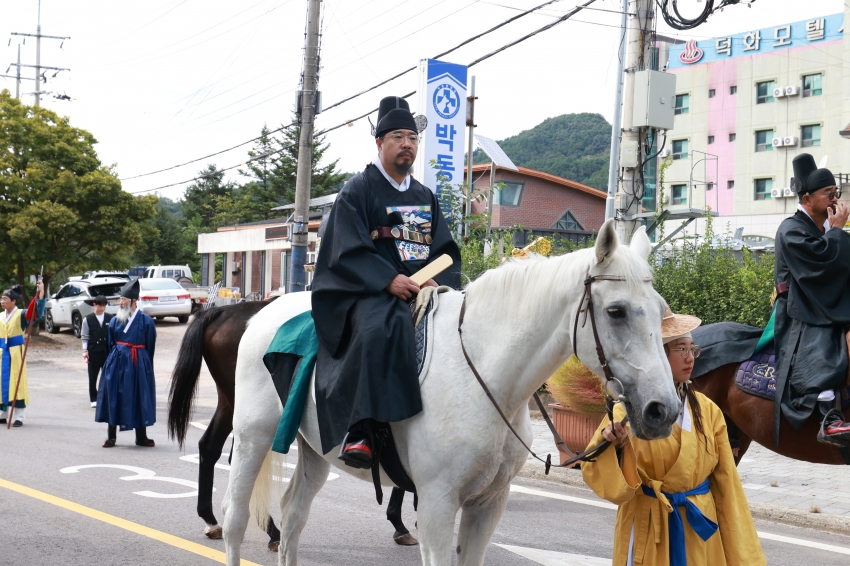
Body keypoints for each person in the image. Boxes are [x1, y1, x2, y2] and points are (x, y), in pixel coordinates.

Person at [311, 95, 462, 468]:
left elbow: (444, 249)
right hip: (367, 290)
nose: (407, 144)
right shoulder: (358, 190)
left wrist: (433, 280)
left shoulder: (424, 195)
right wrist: (387, 280)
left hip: (421, 288)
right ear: (380, 142)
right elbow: (346, 249)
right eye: (398, 136)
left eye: (412, 137)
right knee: (379, 327)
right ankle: (362, 428)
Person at [582, 310, 765, 566]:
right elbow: (600, 471)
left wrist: (740, 550)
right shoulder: (628, 410)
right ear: (657, 353)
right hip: (648, 522)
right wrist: (615, 445)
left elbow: (727, 483)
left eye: (693, 349)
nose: (690, 357)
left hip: (699, 523)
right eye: (681, 349)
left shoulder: (708, 410)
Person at [773, 153, 850, 446]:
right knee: (827, 335)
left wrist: (836, 233)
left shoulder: (824, 229)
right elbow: (820, 269)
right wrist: (838, 232)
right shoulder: (790, 229)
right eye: (828, 194)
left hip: (823, 301)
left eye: (835, 193)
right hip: (800, 308)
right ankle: (827, 413)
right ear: (807, 199)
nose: (834, 199)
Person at [95, 279, 157, 447]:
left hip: (138, 363)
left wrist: (145, 365)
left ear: (134, 301)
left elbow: (150, 346)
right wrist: (114, 361)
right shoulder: (115, 321)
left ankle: (141, 437)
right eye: (120, 299)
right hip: (116, 363)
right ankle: (111, 437)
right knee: (114, 396)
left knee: (139, 396)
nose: (120, 302)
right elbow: (110, 344)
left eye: (123, 299)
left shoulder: (146, 322)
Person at [0, 282, 46, 427]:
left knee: (17, 382)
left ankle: (18, 416)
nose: (2, 302)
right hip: (2, 351)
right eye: (1, 299)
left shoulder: (21, 314)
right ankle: (3, 413)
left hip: (15, 351)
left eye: (5, 300)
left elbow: (35, 312)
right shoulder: (1, 316)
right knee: (2, 382)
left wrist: (41, 292)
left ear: (13, 301)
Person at [81, 295, 114, 408]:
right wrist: (85, 350)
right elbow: (85, 336)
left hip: (107, 351)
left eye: (104, 305)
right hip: (93, 351)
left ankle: (107, 397)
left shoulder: (111, 318)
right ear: (94, 305)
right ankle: (93, 398)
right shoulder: (88, 319)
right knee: (93, 376)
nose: (103, 308)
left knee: (108, 376)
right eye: (100, 305)